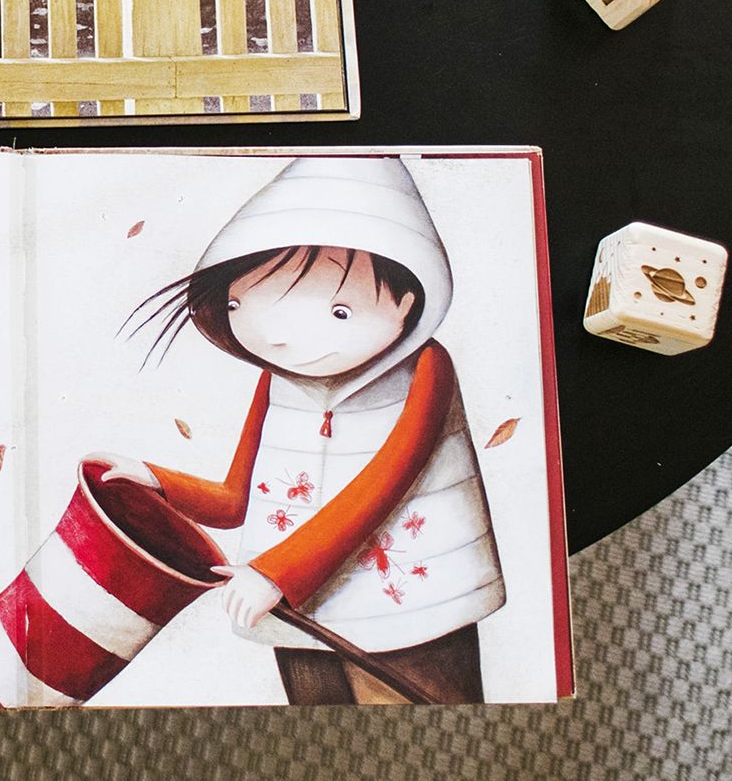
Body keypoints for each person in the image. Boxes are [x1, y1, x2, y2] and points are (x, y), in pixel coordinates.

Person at [106, 157, 504, 705]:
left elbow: (382, 486)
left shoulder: (425, 370)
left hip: (412, 612)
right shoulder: (277, 382)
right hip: (292, 614)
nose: (279, 341)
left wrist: (277, 573)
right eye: (243, 305)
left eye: (338, 311)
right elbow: (237, 499)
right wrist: (154, 481)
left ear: (408, 304)